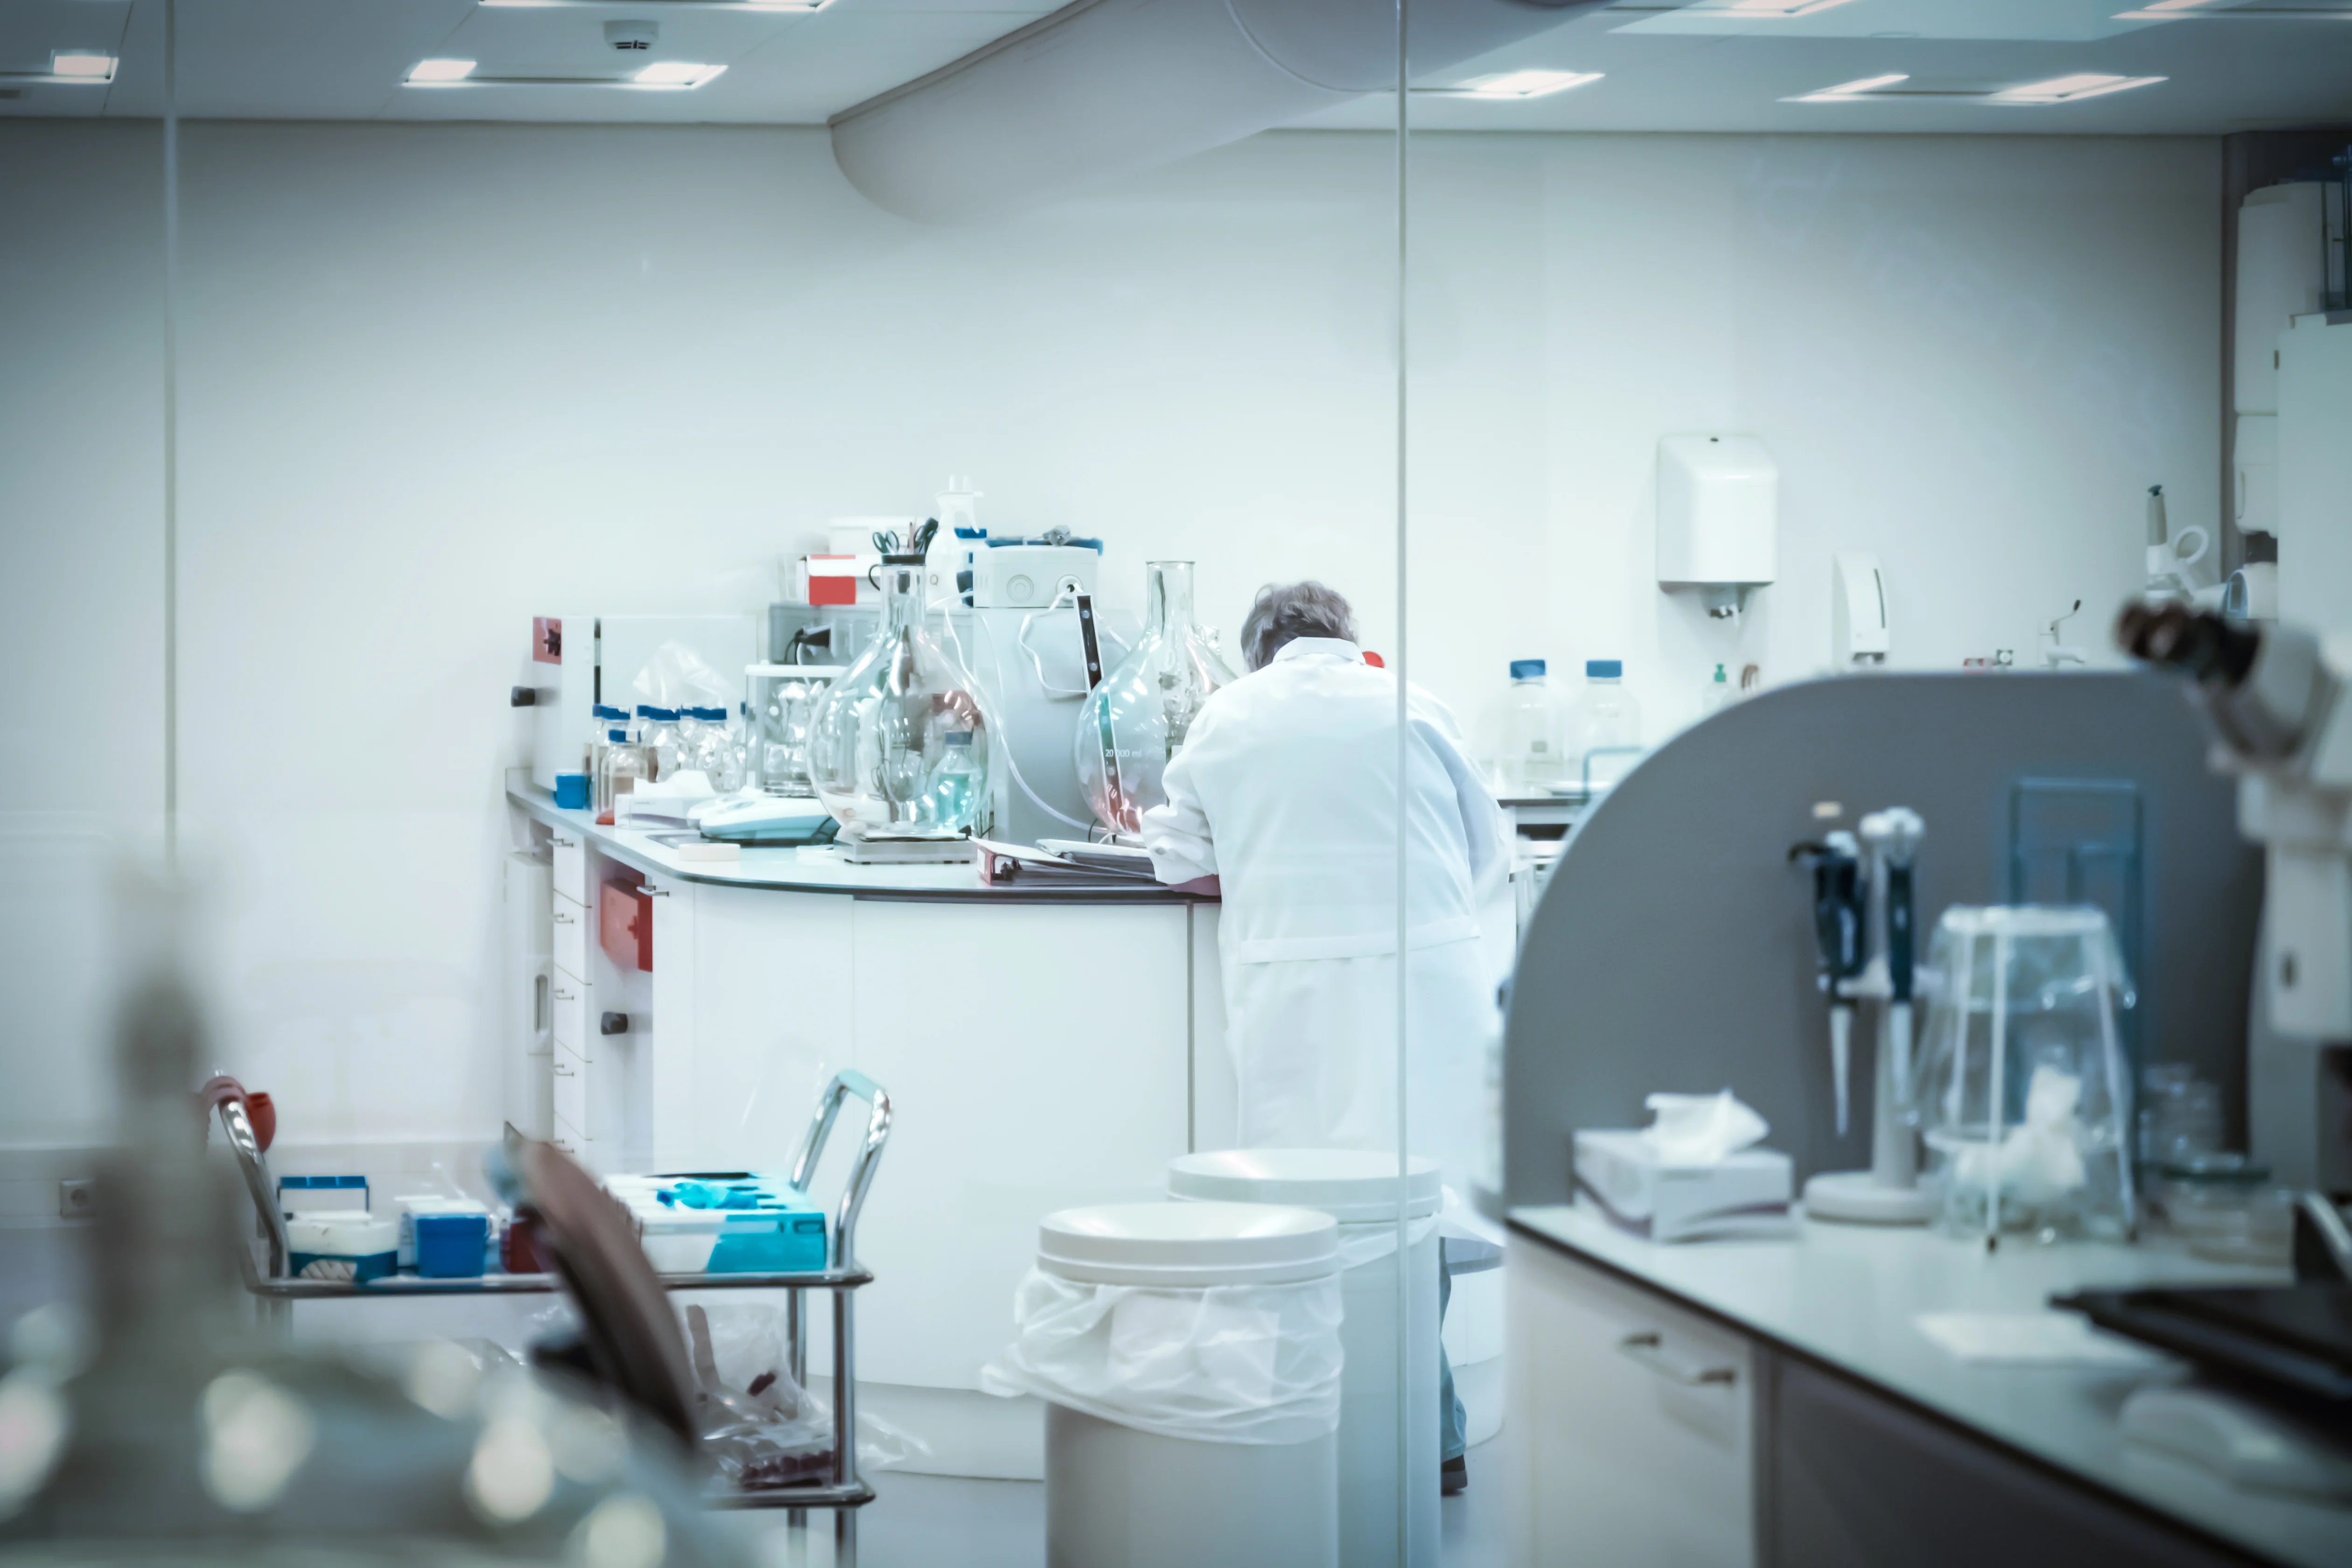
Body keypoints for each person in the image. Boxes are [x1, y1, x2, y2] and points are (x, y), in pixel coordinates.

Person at [1140, 580, 1508, 1494]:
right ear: (1347, 636)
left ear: (1258, 650)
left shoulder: (1229, 714)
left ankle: (1330, 1441)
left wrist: (1269, 864)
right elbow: (1487, 849)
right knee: (1418, 1208)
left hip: (1295, 986)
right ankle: (1432, 1438)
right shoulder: (1413, 702)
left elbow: (1179, 861)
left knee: (1312, 1216)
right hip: (1430, 977)